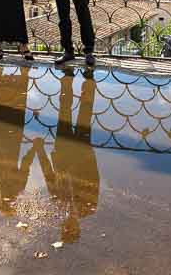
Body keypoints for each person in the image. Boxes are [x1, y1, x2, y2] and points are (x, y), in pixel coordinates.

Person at [36, 71, 100, 243]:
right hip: (82, 153)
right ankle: (89, 79)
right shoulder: (89, 208)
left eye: (65, 228)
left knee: (65, 112)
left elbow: (49, 176)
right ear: (77, 228)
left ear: (63, 227)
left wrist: (40, 150)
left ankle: (67, 81)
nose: (67, 225)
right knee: (84, 113)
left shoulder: (59, 205)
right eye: (70, 229)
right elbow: (95, 179)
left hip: (63, 152)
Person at [0, 66, 38, 215]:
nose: (6, 199)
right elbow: (25, 165)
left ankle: (3, 74)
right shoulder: (5, 185)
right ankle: (14, 74)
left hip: (1, 138)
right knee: (9, 105)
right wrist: (34, 148)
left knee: (5, 105)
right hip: (8, 139)